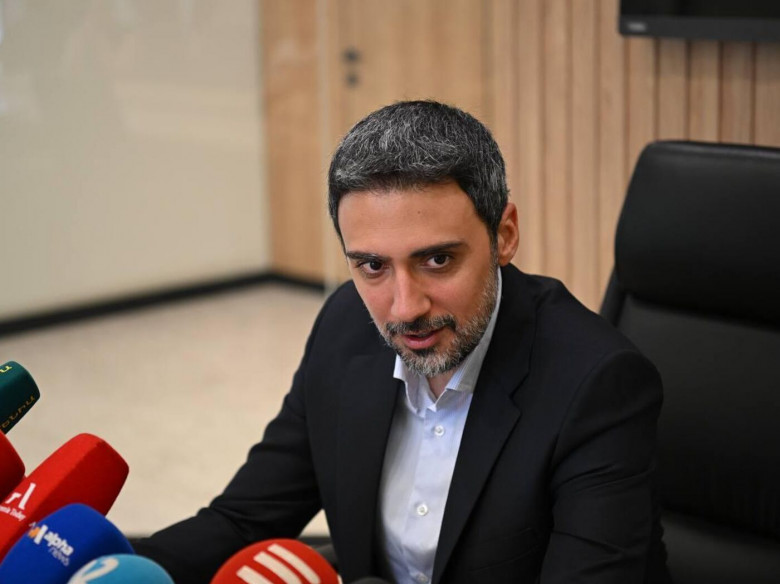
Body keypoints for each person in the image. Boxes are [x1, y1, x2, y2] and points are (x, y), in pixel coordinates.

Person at [133, 101, 670, 584]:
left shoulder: (597, 384)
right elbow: (244, 519)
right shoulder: (346, 325)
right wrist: (123, 572)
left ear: (504, 235)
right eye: (372, 266)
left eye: (437, 260)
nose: (405, 308)